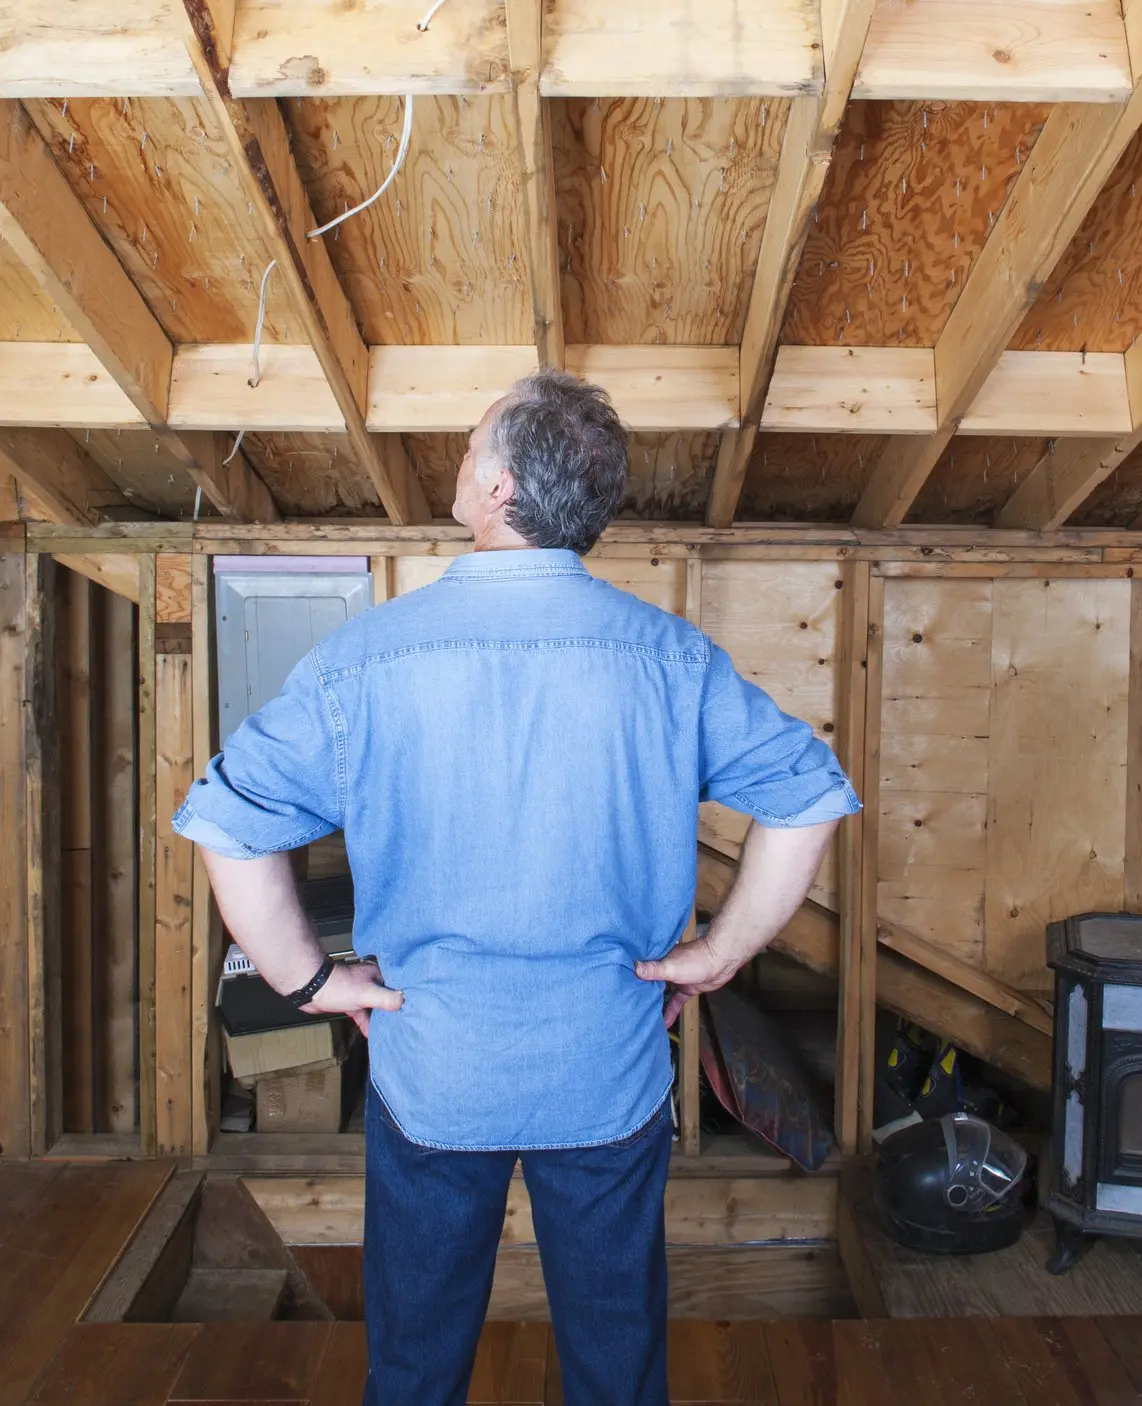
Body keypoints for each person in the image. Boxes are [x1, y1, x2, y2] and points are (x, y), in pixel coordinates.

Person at [174, 370, 860, 1405]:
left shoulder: (364, 660)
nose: (458, 457)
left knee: (413, 1365)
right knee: (616, 1366)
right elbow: (807, 793)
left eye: (467, 443)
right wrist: (720, 954)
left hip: (432, 1070)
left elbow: (228, 820)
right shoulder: (671, 659)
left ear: (497, 488)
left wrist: (310, 982)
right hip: (608, 1069)